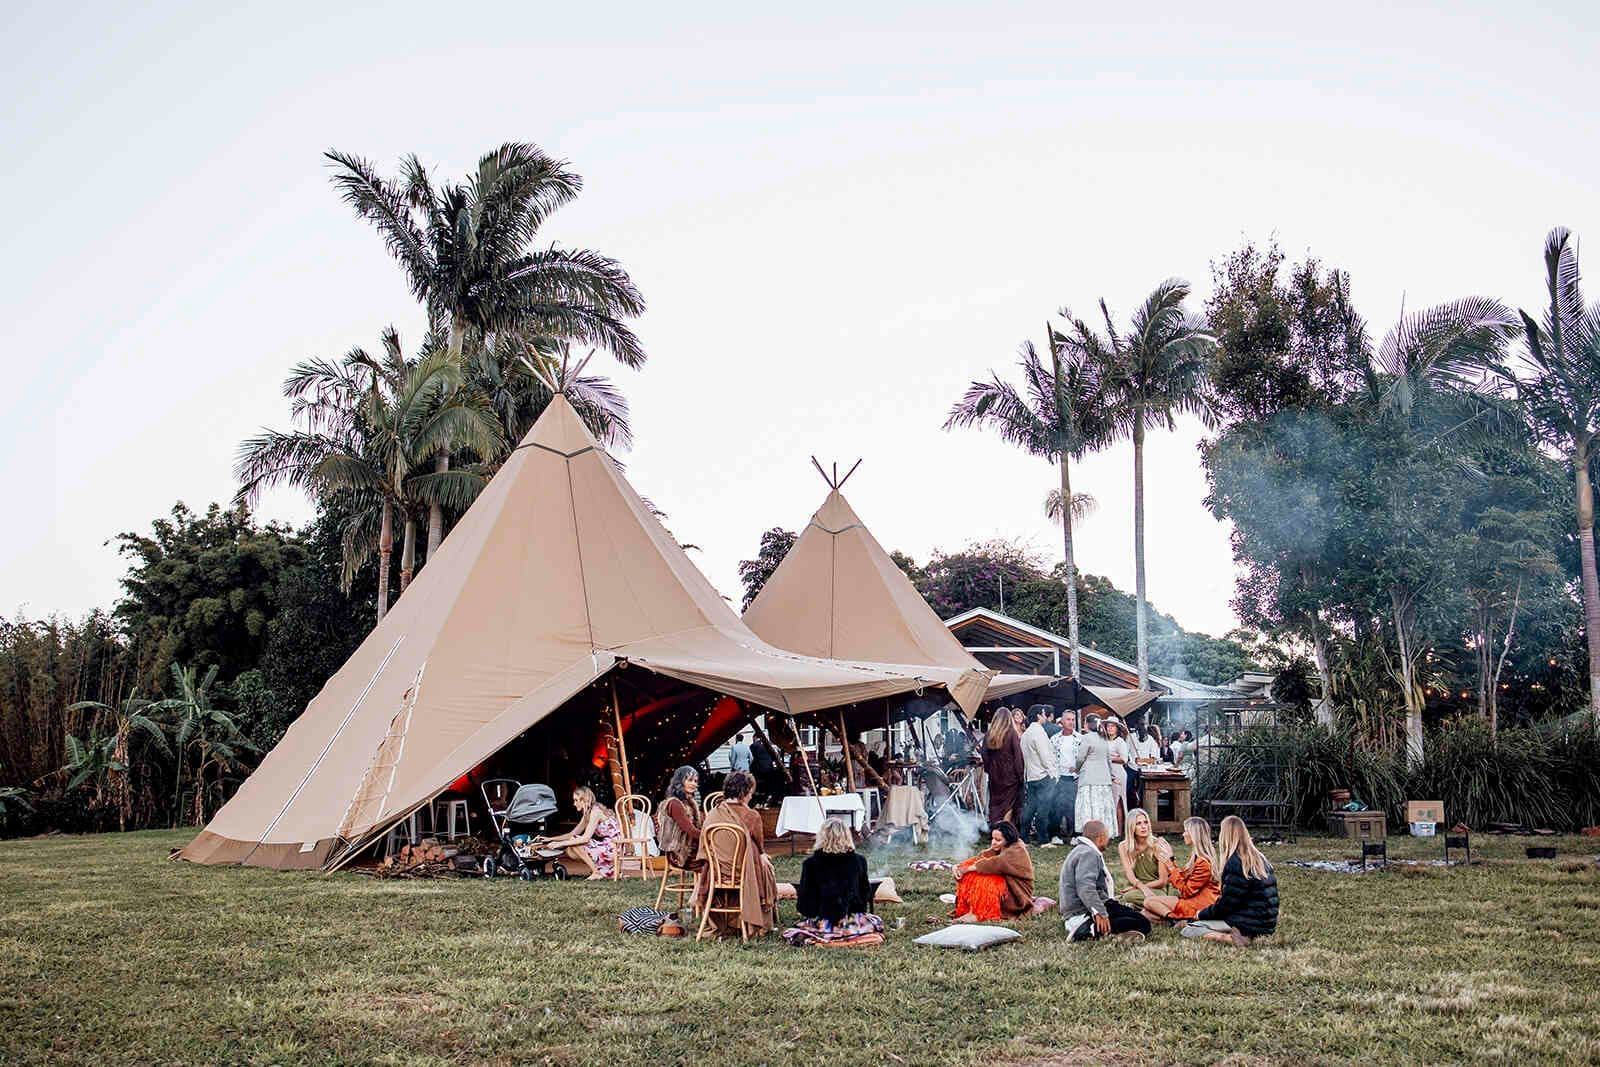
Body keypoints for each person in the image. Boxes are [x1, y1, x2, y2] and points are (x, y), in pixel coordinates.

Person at [695, 770, 778, 937]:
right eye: (750, 793)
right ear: (744, 792)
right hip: (745, 873)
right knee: (765, 866)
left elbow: (704, 848)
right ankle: (758, 921)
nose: (751, 797)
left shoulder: (712, 815)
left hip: (717, 872)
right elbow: (760, 848)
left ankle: (727, 920)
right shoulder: (752, 815)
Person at [782, 817, 886, 945]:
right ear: (847, 836)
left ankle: (826, 935)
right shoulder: (859, 861)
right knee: (876, 921)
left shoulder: (810, 864)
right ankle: (850, 935)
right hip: (853, 922)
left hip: (823, 921)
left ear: (822, 836)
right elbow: (864, 894)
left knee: (794, 930)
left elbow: (805, 903)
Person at [1183, 815, 1280, 946]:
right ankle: (1244, 935)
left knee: (1190, 929)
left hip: (1247, 923)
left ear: (1226, 836)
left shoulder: (1235, 862)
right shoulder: (1260, 859)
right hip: (1267, 923)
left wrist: (1201, 914)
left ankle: (1228, 938)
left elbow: (1227, 904)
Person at [1059, 819, 1152, 942]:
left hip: (1089, 907)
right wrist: (1100, 913)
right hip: (1083, 912)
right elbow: (1085, 887)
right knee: (1142, 923)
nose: (1109, 840)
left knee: (1136, 918)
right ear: (1100, 838)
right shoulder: (1088, 854)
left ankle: (1110, 933)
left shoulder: (1081, 850)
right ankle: (1088, 929)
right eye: (1108, 836)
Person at [951, 821, 1035, 922]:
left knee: (988, 880)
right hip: (1007, 891)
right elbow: (981, 858)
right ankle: (972, 909)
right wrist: (959, 867)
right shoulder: (1001, 847)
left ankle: (981, 913)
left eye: (998, 840)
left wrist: (967, 869)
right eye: (992, 838)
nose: (993, 842)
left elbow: (996, 863)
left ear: (1008, 840)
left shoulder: (1017, 850)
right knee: (972, 874)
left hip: (1017, 896)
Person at [1143, 816, 1221, 923]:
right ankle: (1179, 920)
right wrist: (1170, 858)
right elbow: (1182, 879)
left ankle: (1175, 919)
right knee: (1145, 913)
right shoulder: (1195, 857)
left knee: (1149, 901)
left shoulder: (1203, 862)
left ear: (1194, 835)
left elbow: (1186, 891)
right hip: (1191, 900)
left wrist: (1169, 865)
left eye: (1186, 831)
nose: (1183, 834)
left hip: (1199, 904)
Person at [538, 786, 622, 880]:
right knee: (569, 849)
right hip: (607, 845)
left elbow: (585, 838)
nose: (574, 804)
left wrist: (559, 844)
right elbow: (572, 834)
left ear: (584, 800)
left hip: (613, 848)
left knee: (574, 842)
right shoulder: (588, 813)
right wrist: (551, 839)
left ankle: (596, 872)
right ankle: (599, 869)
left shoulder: (596, 812)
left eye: (576, 800)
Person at [1074, 714, 1119, 840]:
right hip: (1104, 778)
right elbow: (1108, 760)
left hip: (1089, 777)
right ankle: (1104, 833)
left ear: (1087, 724)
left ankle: (1090, 833)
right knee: (1102, 807)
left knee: (1089, 807)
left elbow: (1080, 757)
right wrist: (1112, 775)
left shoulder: (1087, 738)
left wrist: (1076, 769)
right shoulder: (1104, 738)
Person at [982, 708, 1026, 826]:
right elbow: (1018, 757)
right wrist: (1021, 776)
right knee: (1009, 805)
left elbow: (984, 755)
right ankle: (1005, 831)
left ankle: (996, 829)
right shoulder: (1011, 734)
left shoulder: (988, 735)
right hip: (1010, 776)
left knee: (995, 804)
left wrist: (989, 770)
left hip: (995, 776)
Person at [1020, 706, 1056, 844]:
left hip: (1030, 775)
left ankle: (1024, 837)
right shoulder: (1038, 732)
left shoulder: (1026, 734)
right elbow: (1045, 756)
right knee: (1043, 809)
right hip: (1043, 776)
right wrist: (1053, 774)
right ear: (1038, 715)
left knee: (1030, 807)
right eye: (1043, 714)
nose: (1045, 716)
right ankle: (1043, 839)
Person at [656, 765, 703, 872]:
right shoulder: (675, 804)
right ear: (680, 781)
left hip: (691, 848)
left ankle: (710, 887)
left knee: (722, 853)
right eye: (690, 780)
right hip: (680, 853)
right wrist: (710, 836)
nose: (694, 784)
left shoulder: (689, 803)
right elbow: (691, 831)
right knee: (716, 858)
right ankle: (706, 888)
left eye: (695, 781)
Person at [1117, 808, 1169, 901]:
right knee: (1127, 897)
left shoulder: (1157, 845)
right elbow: (1130, 874)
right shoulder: (1123, 846)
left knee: (1127, 898)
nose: (1143, 826)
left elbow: (1163, 881)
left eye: (1145, 822)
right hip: (1136, 888)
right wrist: (1141, 887)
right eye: (1138, 824)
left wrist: (1141, 887)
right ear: (1131, 827)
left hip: (1157, 889)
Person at [1051, 710, 1081, 842]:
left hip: (1074, 778)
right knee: (1057, 807)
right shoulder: (1055, 739)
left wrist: (1078, 771)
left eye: (1073, 719)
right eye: (1068, 719)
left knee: (1073, 807)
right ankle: (1056, 835)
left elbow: (1084, 758)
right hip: (1059, 777)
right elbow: (1050, 758)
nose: (1071, 722)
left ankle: (1074, 835)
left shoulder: (1080, 738)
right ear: (1062, 722)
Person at [1105, 718, 1133, 827]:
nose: (1110, 728)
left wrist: (1109, 758)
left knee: (1118, 801)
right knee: (1110, 801)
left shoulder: (1120, 741)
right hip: (1107, 774)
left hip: (1118, 773)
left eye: (1113, 726)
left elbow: (1124, 759)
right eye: (1108, 726)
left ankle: (1119, 829)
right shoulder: (1105, 740)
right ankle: (1112, 827)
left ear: (1117, 728)